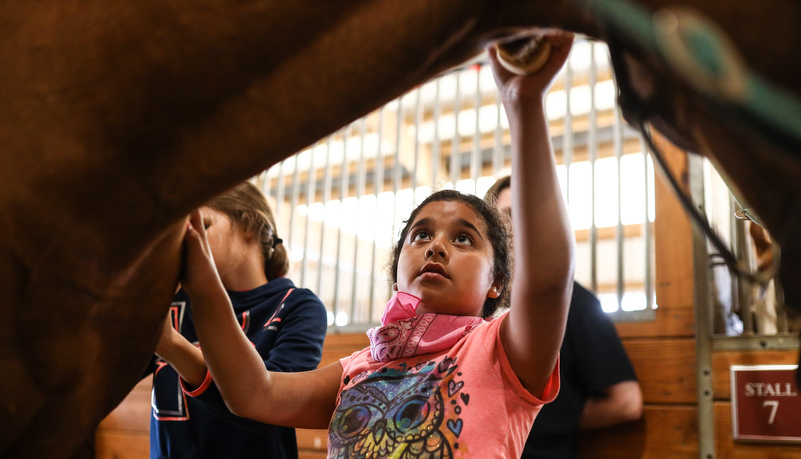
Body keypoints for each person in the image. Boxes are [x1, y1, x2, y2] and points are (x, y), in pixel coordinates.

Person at [173, 31, 575, 458]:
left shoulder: (502, 351)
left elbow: (548, 282)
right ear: (397, 266)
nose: (436, 247)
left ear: (497, 283)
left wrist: (523, 103)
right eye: (421, 234)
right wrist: (201, 283)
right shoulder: (360, 367)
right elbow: (255, 393)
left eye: (463, 238)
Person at [147, 181, 328, 459]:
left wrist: (171, 345)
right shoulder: (174, 300)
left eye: (203, 226)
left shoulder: (297, 305)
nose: (187, 244)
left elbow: (266, 410)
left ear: (249, 226)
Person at [486, 175, 643, 459]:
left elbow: (627, 402)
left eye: (528, 213)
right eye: (507, 216)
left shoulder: (576, 302)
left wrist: (543, 420)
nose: (517, 226)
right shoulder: (478, 300)